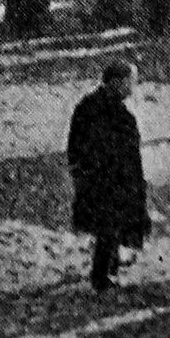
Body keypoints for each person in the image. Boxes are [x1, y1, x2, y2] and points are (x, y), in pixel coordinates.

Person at [65, 59, 149, 292]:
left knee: (108, 226)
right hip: (111, 181)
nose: (133, 87)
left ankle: (111, 264)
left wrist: (77, 171)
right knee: (109, 227)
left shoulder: (87, 105)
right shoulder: (119, 115)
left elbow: (73, 144)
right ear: (117, 82)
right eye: (130, 82)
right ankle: (102, 277)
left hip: (95, 179)